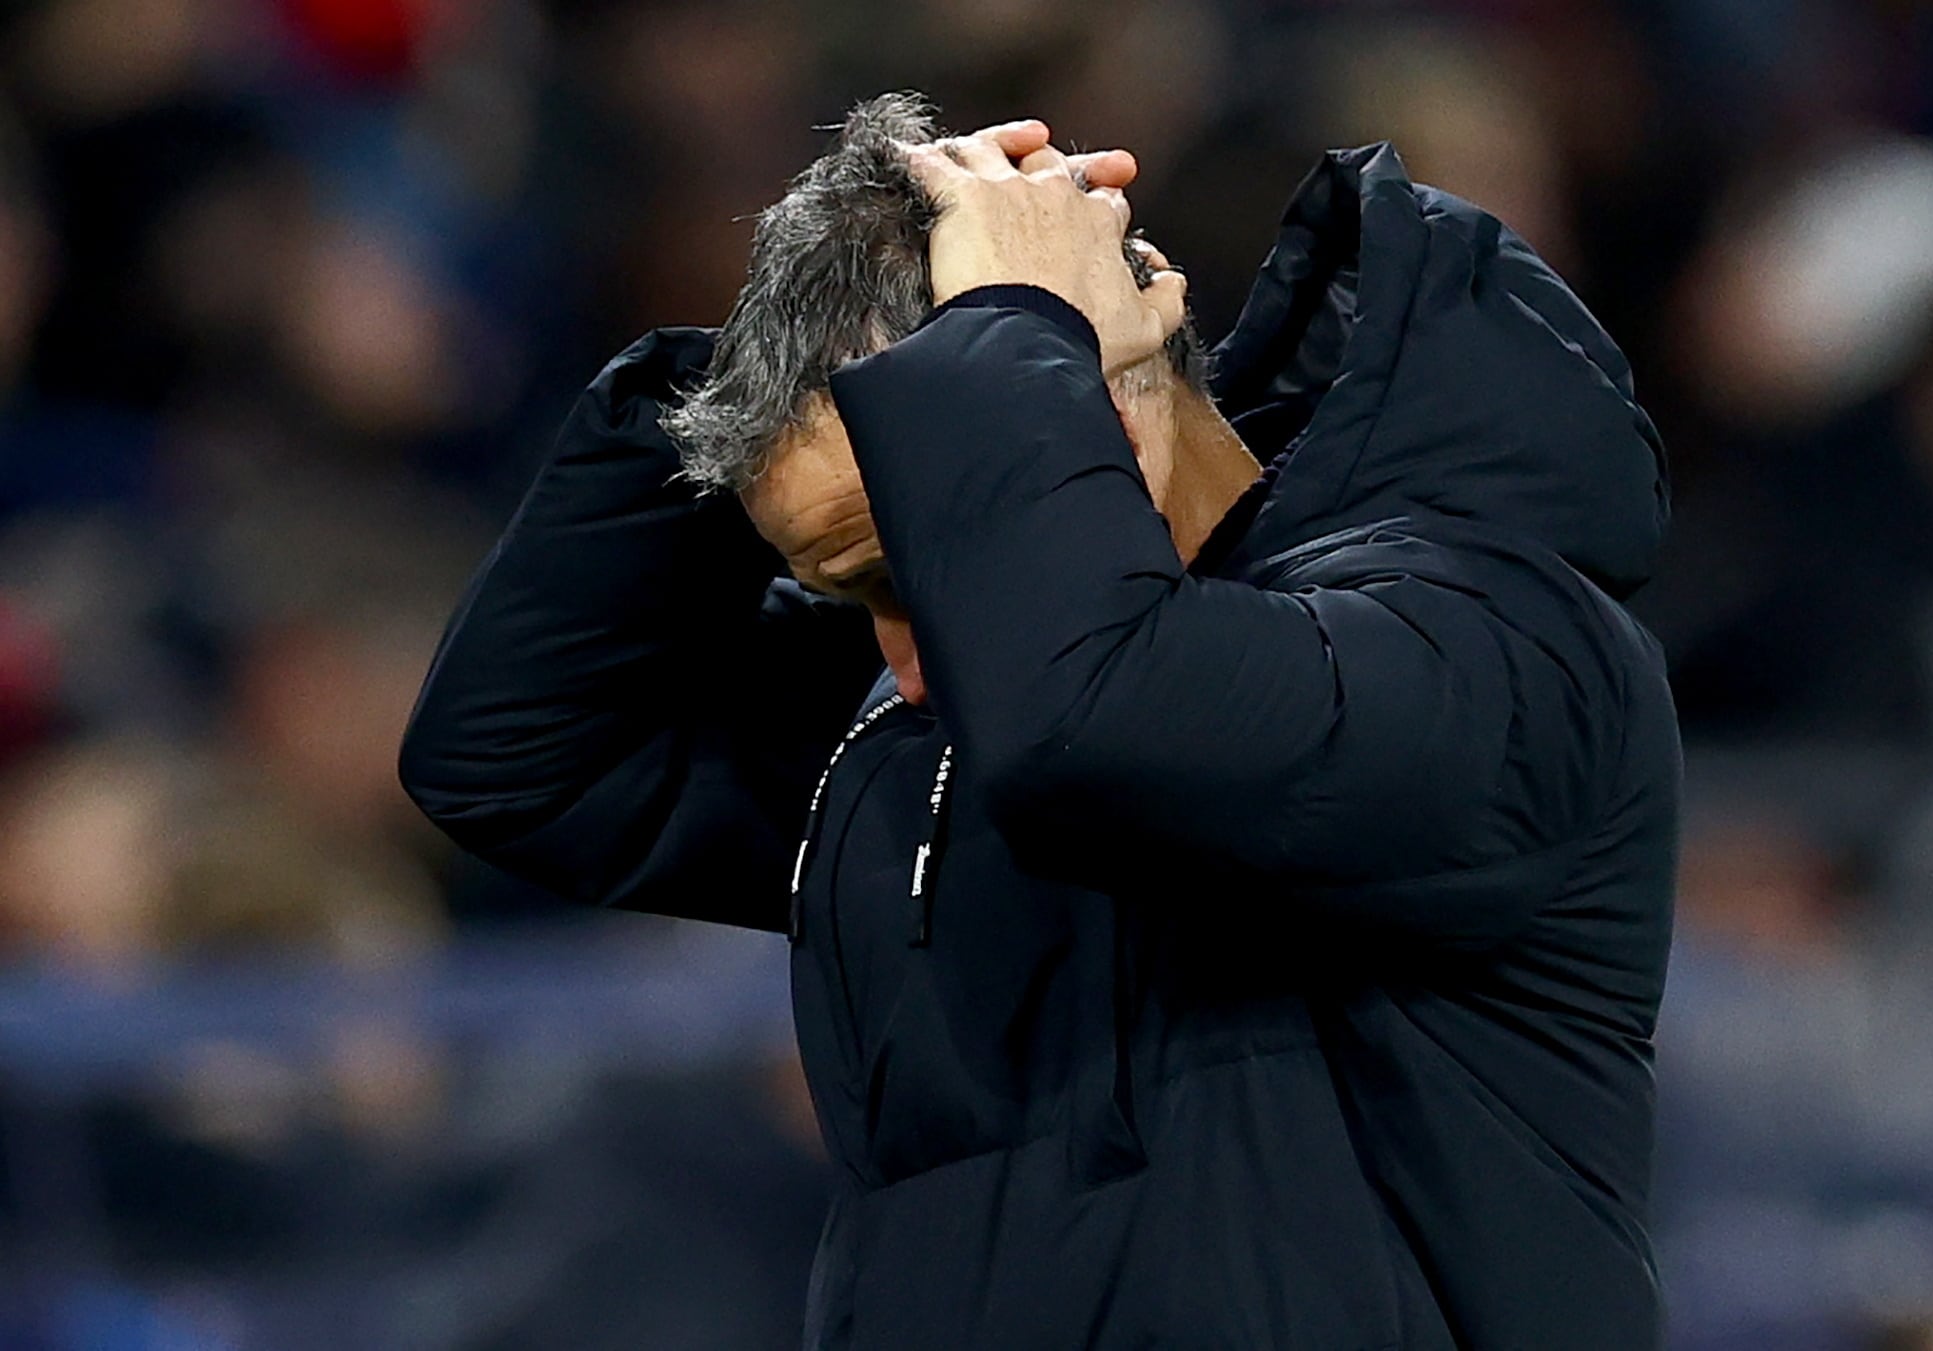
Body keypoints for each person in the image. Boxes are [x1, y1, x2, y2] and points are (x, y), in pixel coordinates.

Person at [399, 93, 1678, 1349]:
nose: (897, 666)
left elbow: (1106, 721)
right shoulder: (950, 726)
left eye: (905, 570)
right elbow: (521, 755)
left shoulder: (1490, 637)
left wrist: (1015, 321)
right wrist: (774, 347)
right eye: (848, 594)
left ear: (1096, 381)